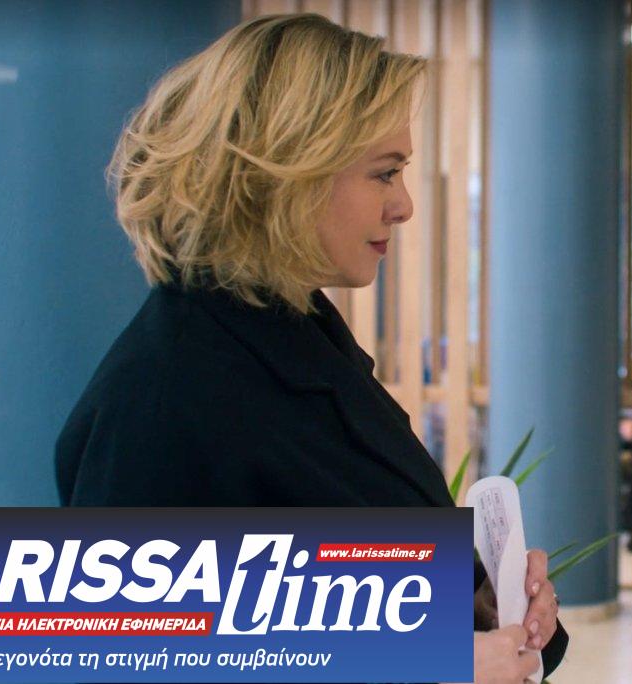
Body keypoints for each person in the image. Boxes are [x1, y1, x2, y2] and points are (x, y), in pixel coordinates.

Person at [54, 14, 564, 682]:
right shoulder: (163, 400)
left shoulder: (301, 338)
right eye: (384, 173)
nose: (403, 205)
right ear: (287, 174)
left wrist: (481, 605)